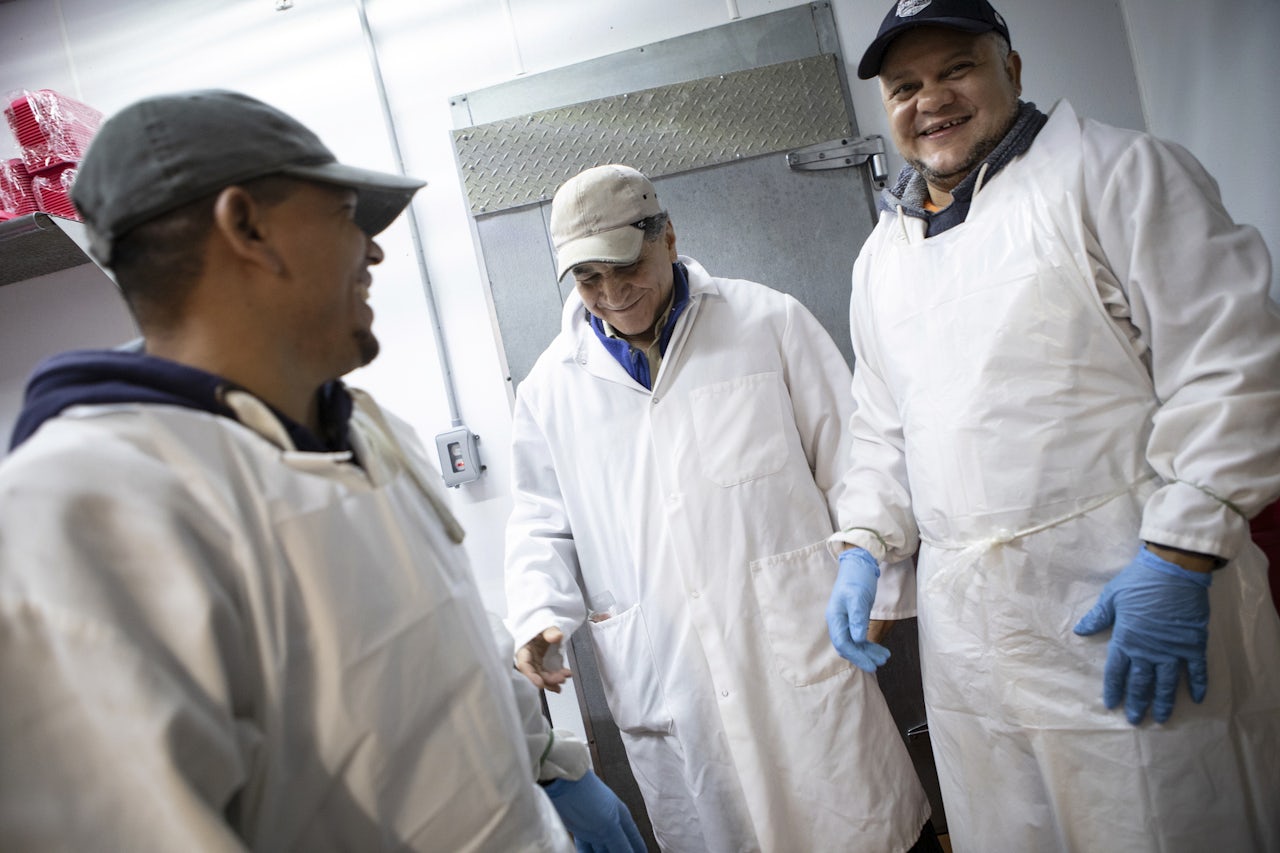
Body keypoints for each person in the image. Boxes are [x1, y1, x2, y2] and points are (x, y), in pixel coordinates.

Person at [0, 89, 645, 853]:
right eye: (347, 217)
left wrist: (551, 765)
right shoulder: (87, 508)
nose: (373, 251)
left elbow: (451, 641)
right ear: (246, 226)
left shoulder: (366, 426)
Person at [824, 1, 1280, 851]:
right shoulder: (882, 257)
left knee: (1170, 821)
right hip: (975, 641)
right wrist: (862, 545)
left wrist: (1180, 554)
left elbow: (1233, 366)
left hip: (1124, 599)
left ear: (1013, 68)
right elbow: (883, 429)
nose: (931, 101)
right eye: (905, 86)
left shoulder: (1117, 174)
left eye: (956, 69)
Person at [504, 163, 935, 852]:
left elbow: (853, 463)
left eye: (626, 267)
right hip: (672, 681)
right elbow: (538, 523)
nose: (613, 293)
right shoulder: (551, 389)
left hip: (799, 656)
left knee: (859, 828)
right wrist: (538, 615)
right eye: (589, 279)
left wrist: (878, 593)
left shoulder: (767, 320)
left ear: (667, 237)